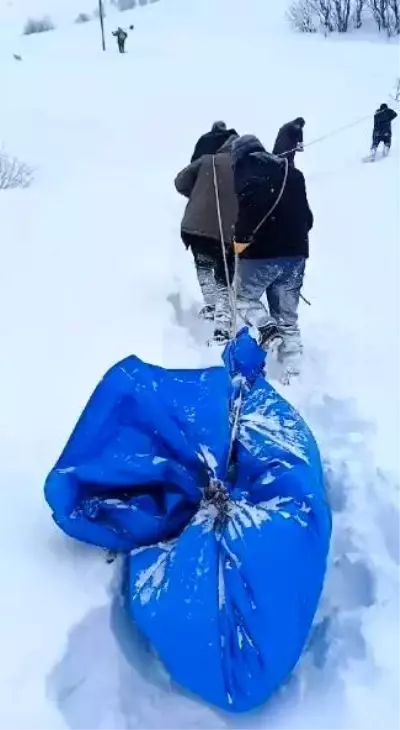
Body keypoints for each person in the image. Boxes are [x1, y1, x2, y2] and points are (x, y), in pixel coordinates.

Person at [232, 135, 313, 364]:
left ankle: (266, 327)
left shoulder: (244, 169)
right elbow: (308, 218)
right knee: (288, 320)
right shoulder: (292, 173)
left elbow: (249, 211)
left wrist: (240, 240)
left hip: (260, 253)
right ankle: (293, 375)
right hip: (296, 253)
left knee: (243, 300)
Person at [174, 134, 239, 343]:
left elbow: (180, 182)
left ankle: (210, 305)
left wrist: (198, 194)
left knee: (203, 265)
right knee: (224, 275)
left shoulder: (206, 160)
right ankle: (222, 323)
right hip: (226, 232)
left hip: (196, 227)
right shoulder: (243, 168)